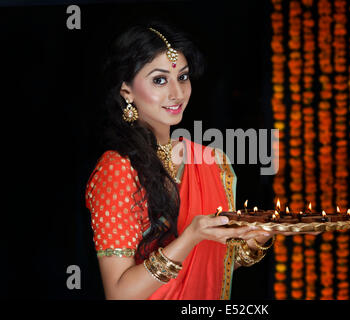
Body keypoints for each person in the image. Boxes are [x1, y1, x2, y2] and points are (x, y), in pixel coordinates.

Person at [85, 21, 277, 300]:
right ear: (126, 91)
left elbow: (213, 267)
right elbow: (120, 294)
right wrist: (190, 237)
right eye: (159, 80)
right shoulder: (117, 169)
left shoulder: (210, 160)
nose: (177, 93)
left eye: (183, 77)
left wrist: (255, 240)